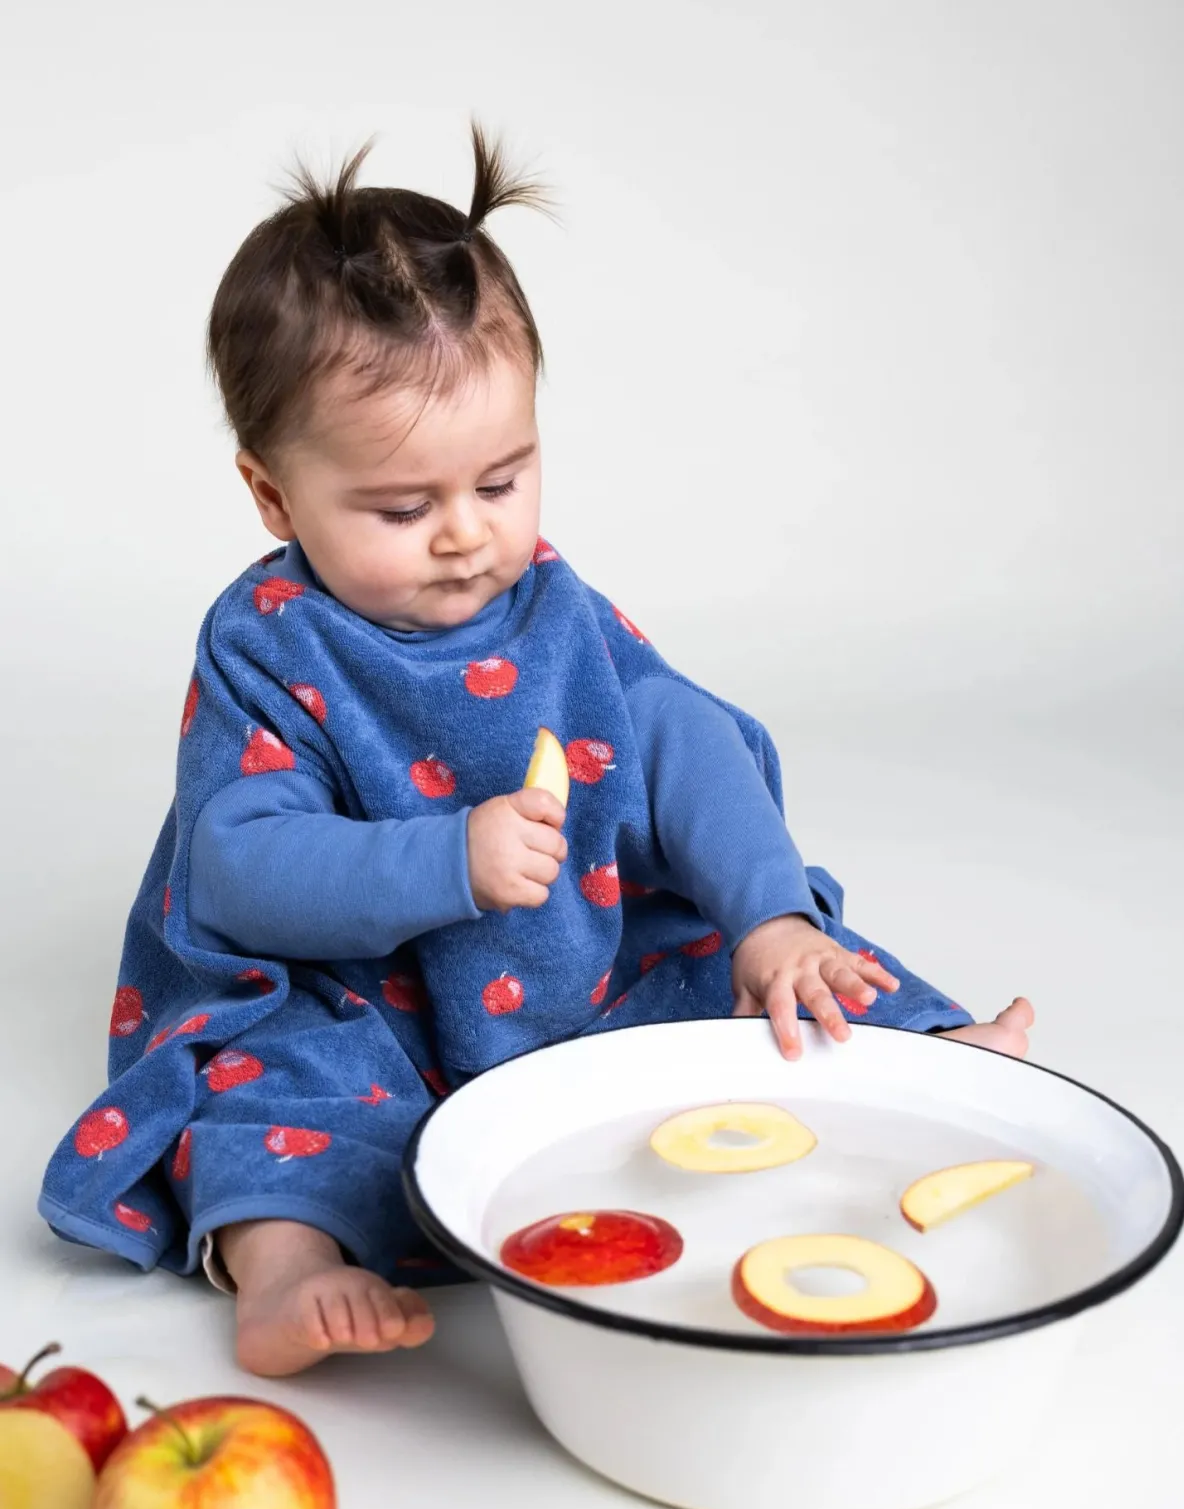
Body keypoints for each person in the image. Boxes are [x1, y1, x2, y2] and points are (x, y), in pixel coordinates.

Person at [40, 127, 1034, 1378]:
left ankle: (923, 1064)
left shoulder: (556, 611)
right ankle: (287, 1266)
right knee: (265, 1077)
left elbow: (684, 745)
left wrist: (772, 914)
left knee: (768, 969)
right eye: (404, 507)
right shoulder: (268, 643)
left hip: (577, 959)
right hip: (365, 994)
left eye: (502, 482)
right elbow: (241, 866)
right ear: (275, 497)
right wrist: (448, 857)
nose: (465, 534)